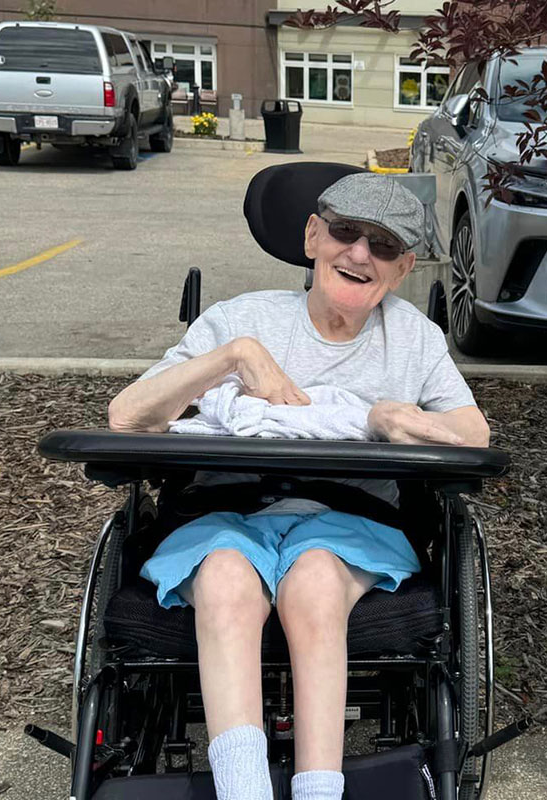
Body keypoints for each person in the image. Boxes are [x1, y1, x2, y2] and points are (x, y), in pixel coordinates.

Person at [107, 172, 490, 800]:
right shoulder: (239, 317)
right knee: (228, 578)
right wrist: (233, 356)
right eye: (346, 232)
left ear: (403, 270)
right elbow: (127, 416)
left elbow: (473, 433)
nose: (361, 253)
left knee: (313, 579)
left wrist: (399, 417)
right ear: (314, 235)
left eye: (384, 246)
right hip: (223, 513)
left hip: (352, 519)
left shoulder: (415, 338)